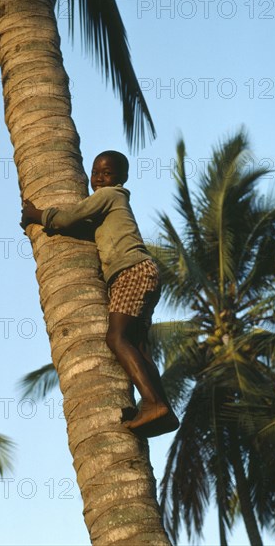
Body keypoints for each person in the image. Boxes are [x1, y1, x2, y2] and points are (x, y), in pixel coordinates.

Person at [21, 150, 179, 437]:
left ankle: (154, 403)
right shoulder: (110, 207)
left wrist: (39, 215)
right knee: (138, 347)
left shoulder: (111, 196)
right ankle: (163, 408)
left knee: (116, 337)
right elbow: (84, 229)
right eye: (95, 173)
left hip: (132, 271)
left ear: (121, 178)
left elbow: (70, 218)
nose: (99, 178)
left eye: (107, 173)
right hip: (142, 273)